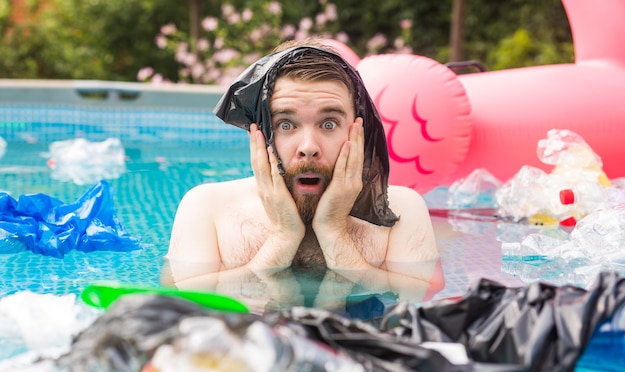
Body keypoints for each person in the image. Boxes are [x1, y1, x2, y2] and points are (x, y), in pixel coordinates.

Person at [163, 39, 441, 309]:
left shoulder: (401, 209)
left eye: (329, 123)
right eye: (286, 124)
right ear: (261, 134)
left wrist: (333, 231)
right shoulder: (208, 207)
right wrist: (283, 236)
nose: (309, 148)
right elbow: (180, 302)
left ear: (357, 131)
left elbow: (420, 295)